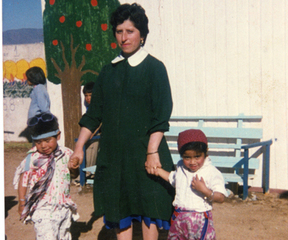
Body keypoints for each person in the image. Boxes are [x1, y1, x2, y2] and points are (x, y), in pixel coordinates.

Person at [69, 3, 175, 240]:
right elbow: (94, 114)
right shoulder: (108, 71)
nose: (124, 37)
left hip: (146, 153)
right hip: (114, 157)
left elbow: (162, 114)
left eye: (130, 31)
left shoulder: (154, 68)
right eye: (119, 31)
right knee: (119, 210)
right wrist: (79, 147)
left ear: (142, 35)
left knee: (150, 210)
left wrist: (151, 151)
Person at [13, 112, 79, 240]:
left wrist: (74, 168)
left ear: (58, 136)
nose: (43, 146)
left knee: (63, 236)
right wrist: (22, 203)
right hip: (42, 207)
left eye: (47, 140)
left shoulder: (66, 154)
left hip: (63, 207)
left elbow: (73, 176)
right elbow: (23, 180)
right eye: (38, 142)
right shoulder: (32, 158)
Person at [152, 129, 228, 240]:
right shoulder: (181, 168)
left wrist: (205, 190)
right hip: (179, 217)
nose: (192, 162)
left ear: (205, 154)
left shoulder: (211, 172)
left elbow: (221, 197)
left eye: (197, 156)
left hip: (199, 219)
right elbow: (171, 178)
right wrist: (157, 170)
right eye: (187, 157)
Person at [83, 82, 99, 168]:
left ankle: (88, 172)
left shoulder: (98, 106)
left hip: (97, 134)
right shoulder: (89, 107)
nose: (88, 98)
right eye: (86, 96)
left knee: (92, 146)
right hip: (90, 133)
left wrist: (94, 132)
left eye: (90, 95)